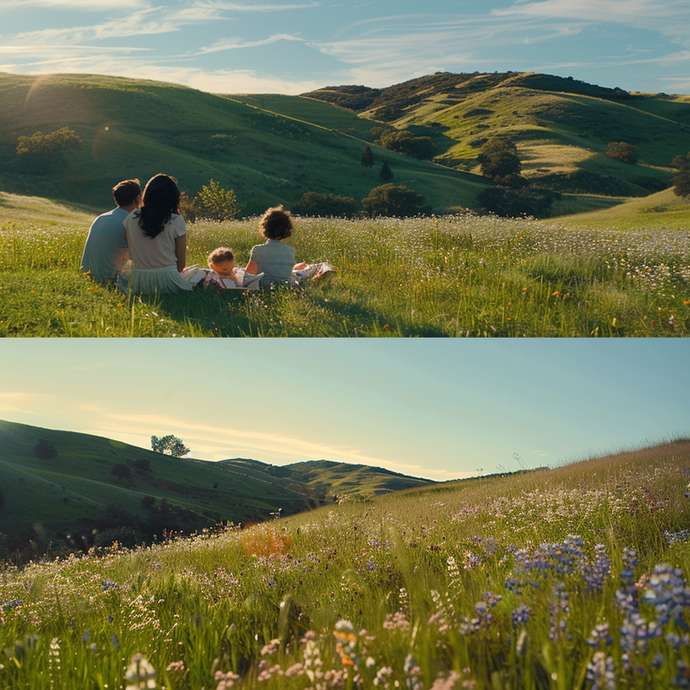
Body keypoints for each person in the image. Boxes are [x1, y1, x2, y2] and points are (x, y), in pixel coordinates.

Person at [118, 174, 193, 294]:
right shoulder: (176, 220)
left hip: (137, 280)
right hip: (167, 279)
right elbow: (180, 265)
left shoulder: (132, 217)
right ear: (173, 197)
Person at [80, 179, 141, 283]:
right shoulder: (130, 222)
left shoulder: (101, 218)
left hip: (87, 276)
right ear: (138, 198)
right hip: (109, 280)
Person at [245, 206, 300, 288]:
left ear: (265, 227)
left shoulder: (258, 250)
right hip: (286, 287)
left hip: (264, 287)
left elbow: (248, 275)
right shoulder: (291, 251)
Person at [182, 246, 263, 289]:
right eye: (224, 269)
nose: (228, 271)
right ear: (212, 266)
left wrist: (234, 278)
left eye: (230, 268)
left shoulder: (232, 273)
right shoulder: (210, 275)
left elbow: (236, 279)